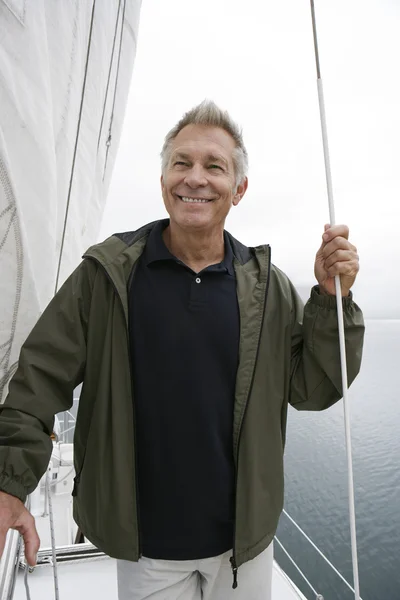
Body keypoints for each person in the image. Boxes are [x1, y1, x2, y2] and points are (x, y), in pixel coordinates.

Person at [0, 101, 364, 600]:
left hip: (243, 546)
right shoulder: (107, 276)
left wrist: (329, 299)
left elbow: (312, 388)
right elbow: (39, 378)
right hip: (148, 549)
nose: (195, 178)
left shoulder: (269, 289)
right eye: (181, 163)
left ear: (239, 189)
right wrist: (8, 482)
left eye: (215, 166)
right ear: (163, 178)